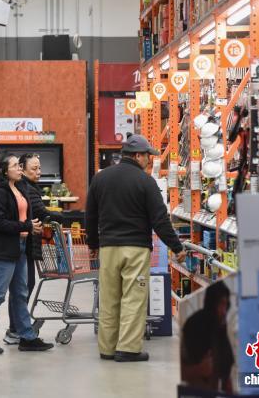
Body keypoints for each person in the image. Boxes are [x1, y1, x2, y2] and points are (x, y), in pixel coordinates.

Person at [86, 134, 187, 362]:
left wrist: (92, 244)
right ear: (138, 155)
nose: (149, 161)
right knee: (133, 299)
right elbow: (159, 220)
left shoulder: (100, 179)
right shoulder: (145, 182)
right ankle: (128, 349)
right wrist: (176, 246)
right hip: (135, 250)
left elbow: (90, 216)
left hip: (108, 249)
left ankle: (107, 348)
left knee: (109, 299)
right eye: (147, 156)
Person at [0, 152, 54, 354]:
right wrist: (26, 226)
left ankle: (27, 337)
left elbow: (26, 216)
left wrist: (32, 227)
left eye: (20, 166)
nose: (20, 169)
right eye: (15, 166)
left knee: (21, 293)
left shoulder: (20, 187)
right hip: (4, 249)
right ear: (4, 171)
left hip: (21, 246)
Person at [3, 153, 63, 345]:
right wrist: (69, 217)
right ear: (22, 168)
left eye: (39, 168)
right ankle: (15, 329)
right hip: (23, 244)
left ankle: (17, 328)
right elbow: (41, 213)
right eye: (34, 169)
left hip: (25, 243)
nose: (39, 172)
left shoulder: (28, 187)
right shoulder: (26, 188)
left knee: (23, 286)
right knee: (22, 287)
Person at [181, 281, 235, 393]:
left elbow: (226, 362)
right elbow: (180, 371)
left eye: (226, 305)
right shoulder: (194, 325)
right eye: (221, 304)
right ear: (212, 303)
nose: (224, 311)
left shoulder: (220, 325)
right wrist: (199, 369)